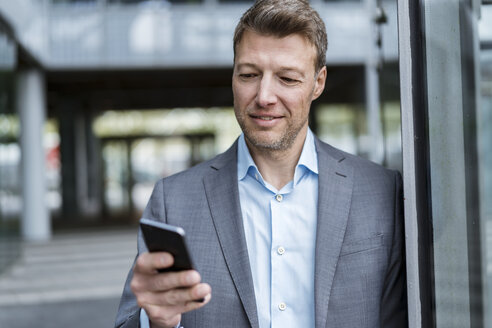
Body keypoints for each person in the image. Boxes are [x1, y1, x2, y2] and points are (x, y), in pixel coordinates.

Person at [115, 0, 407, 327]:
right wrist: (156, 321)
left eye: (287, 78)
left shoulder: (382, 191)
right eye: (249, 75)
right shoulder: (173, 201)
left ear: (318, 83)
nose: (264, 96)